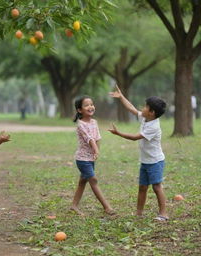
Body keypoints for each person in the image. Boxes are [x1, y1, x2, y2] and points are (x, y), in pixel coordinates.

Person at [108, 86, 168, 221]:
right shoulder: (146, 118)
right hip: (145, 161)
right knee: (142, 187)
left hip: (155, 161)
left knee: (157, 187)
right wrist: (121, 96)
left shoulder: (154, 126)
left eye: (146, 106)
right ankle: (139, 213)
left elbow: (135, 137)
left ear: (152, 112)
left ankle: (163, 213)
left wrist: (118, 133)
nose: (143, 108)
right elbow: (132, 109)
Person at [70, 96, 114, 216]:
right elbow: (89, 138)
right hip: (82, 159)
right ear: (80, 110)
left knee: (82, 182)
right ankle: (107, 207)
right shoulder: (81, 124)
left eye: (92, 104)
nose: (90, 107)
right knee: (93, 180)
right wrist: (95, 150)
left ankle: (73, 205)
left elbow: (97, 137)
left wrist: (96, 152)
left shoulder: (94, 122)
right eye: (86, 105)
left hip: (90, 158)